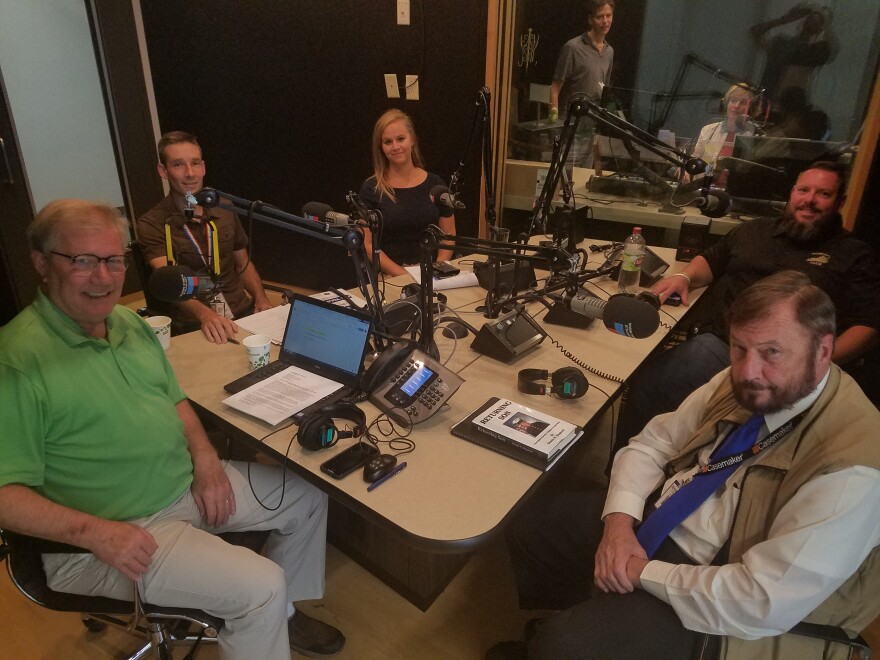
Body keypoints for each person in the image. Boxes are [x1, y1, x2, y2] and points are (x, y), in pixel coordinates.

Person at [0, 200, 345, 659]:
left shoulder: (124, 322)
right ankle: (266, 607)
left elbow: (174, 399)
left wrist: (204, 459)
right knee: (261, 585)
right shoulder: (17, 361)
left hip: (181, 486)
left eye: (112, 260)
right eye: (82, 260)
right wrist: (98, 534)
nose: (103, 277)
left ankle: (280, 616)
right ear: (42, 263)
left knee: (308, 493)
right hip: (113, 533)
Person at [489, 271, 880, 659]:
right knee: (531, 524)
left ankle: (571, 637)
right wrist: (618, 526)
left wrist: (640, 572)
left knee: (564, 647)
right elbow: (652, 443)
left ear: (823, 350)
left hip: (727, 583)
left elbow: (761, 600)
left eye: (772, 353)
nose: (747, 371)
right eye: (739, 348)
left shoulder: (851, 467)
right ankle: (584, 614)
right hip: (669, 518)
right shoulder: (740, 379)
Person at [615, 160, 880, 448]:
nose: (810, 200)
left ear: (840, 202)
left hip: (789, 363)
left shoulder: (854, 255)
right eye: (804, 190)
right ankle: (625, 472)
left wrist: (812, 367)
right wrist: (685, 276)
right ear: (792, 193)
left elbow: (866, 326)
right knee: (648, 383)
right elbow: (713, 259)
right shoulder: (754, 231)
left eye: (823, 194)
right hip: (721, 345)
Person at [138, 131, 272, 344]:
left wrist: (261, 298)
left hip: (241, 310)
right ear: (163, 170)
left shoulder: (225, 208)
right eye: (178, 165)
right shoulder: (152, 223)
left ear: (204, 166)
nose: (190, 173)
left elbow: (242, 263)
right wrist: (205, 315)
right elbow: (170, 283)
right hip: (195, 323)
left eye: (195, 163)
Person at [358, 109, 456, 276]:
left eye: (400, 139)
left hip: (433, 275)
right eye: (388, 142)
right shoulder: (370, 189)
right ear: (381, 147)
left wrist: (438, 268)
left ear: (412, 139)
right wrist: (404, 276)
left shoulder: (436, 185)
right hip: (390, 278)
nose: (395, 147)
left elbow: (449, 235)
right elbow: (367, 245)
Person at [547, 0, 614, 167]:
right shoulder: (572, 48)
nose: (605, 21)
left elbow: (603, 88)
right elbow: (555, 88)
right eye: (600, 17)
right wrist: (554, 122)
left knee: (582, 181)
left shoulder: (609, 51)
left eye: (609, 15)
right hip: (570, 128)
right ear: (590, 19)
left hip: (591, 128)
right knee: (563, 178)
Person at [751, 4, 837, 106]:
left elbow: (834, 48)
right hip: (766, 102)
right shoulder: (782, 44)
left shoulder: (816, 52)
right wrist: (784, 19)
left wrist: (826, 26)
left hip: (791, 107)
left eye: (817, 22)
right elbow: (756, 31)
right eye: (809, 19)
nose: (810, 23)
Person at [689, 83, 758, 183]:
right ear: (726, 103)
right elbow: (695, 160)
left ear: (750, 109)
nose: (737, 106)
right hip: (706, 186)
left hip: (735, 191)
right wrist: (687, 171)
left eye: (743, 103)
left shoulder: (754, 135)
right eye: (733, 100)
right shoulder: (708, 130)